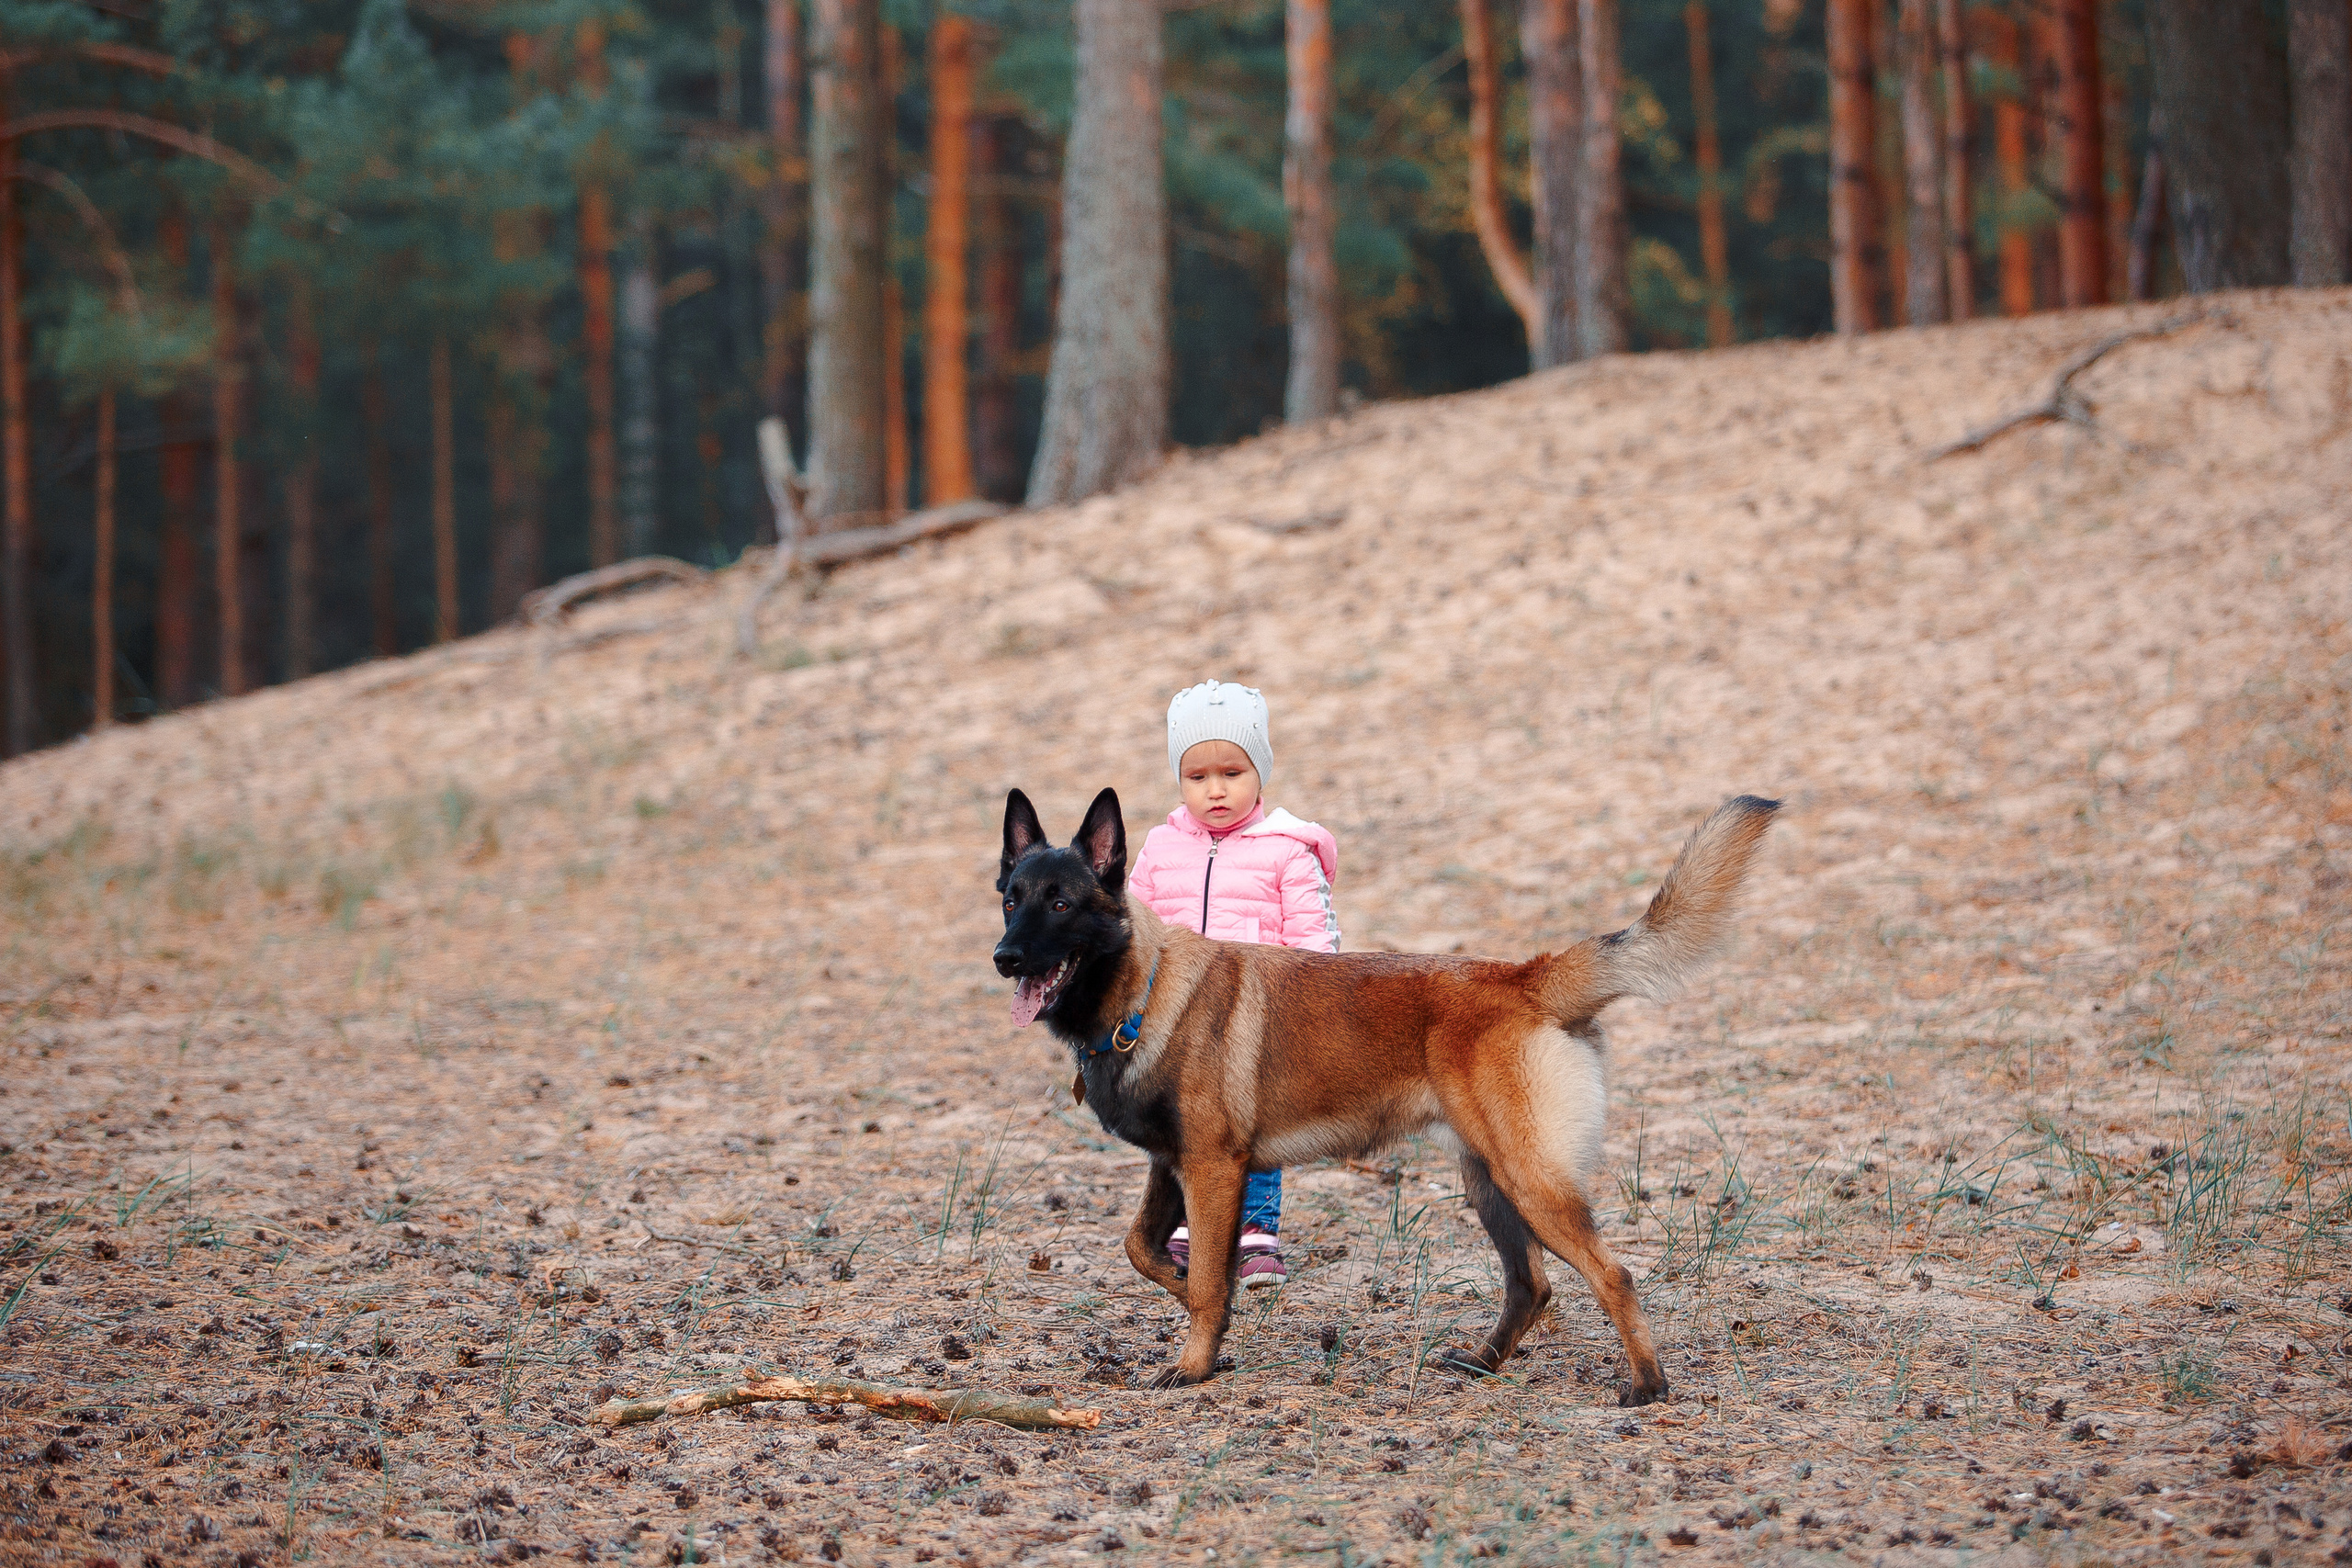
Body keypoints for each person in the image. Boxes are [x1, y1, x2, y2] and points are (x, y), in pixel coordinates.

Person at [1127, 680, 1339, 1288]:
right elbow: (1136, 929)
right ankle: (1191, 1223)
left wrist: (1311, 1007)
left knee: (1252, 1124)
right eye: (1197, 776)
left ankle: (1256, 1233)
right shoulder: (1162, 849)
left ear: (1259, 769)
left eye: (1232, 771)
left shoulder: (1285, 851)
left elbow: (1314, 936)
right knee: (1181, 1125)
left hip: (1262, 1017)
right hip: (1179, 1026)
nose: (1215, 789)